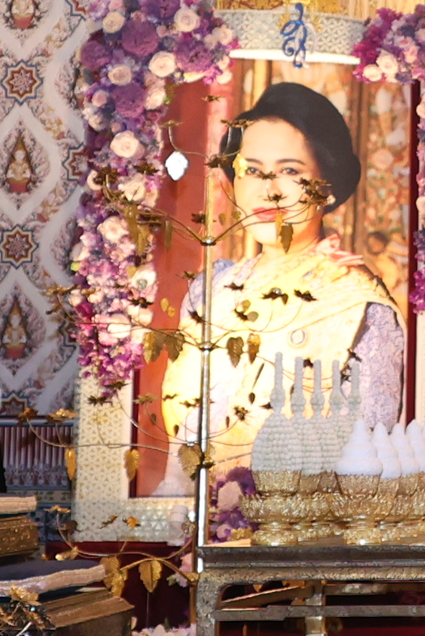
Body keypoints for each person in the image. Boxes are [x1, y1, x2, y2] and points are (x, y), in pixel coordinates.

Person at [155, 80, 405, 488]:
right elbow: (178, 447)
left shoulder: (358, 303)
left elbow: (365, 456)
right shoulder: (209, 289)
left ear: (326, 185)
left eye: (290, 170)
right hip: (191, 520)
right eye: (251, 170)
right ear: (232, 183)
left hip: (300, 531)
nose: (268, 190)